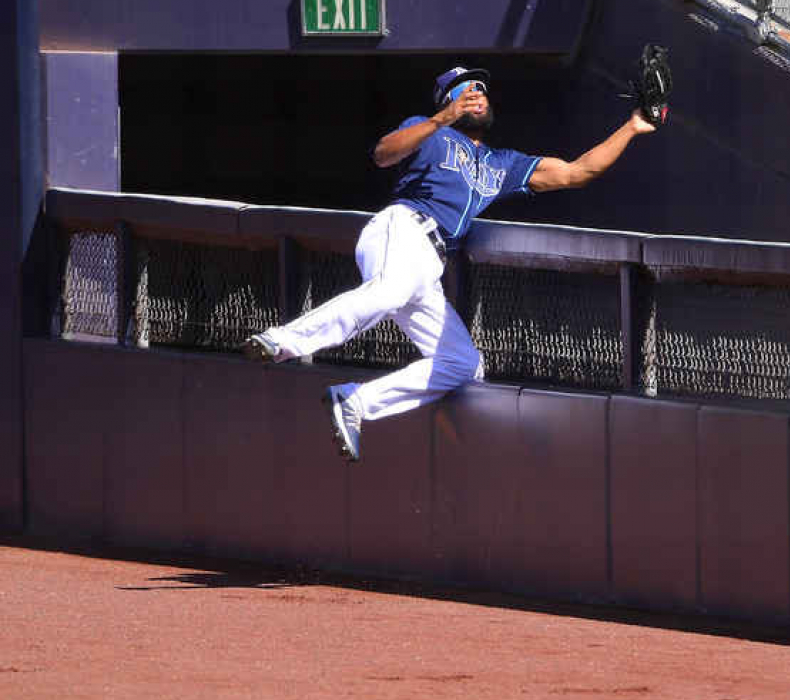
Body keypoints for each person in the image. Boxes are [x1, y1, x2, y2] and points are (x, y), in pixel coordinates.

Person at [242, 65, 657, 462]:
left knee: (464, 363)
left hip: (430, 263)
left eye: (481, 89)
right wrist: (441, 119)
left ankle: (357, 401)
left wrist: (633, 125)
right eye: (466, 90)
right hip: (402, 228)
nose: (477, 95)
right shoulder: (432, 130)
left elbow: (575, 172)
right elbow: (383, 154)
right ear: (448, 101)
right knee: (388, 292)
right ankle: (282, 341)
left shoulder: (501, 163)